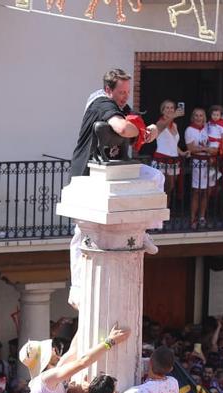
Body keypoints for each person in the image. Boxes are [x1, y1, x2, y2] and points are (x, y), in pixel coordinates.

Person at [67, 68, 161, 310]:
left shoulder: (119, 105)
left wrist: (150, 130)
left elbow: (139, 125)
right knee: (81, 236)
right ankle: (76, 288)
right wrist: (138, 129)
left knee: (156, 177)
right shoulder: (102, 104)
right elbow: (122, 128)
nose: (125, 97)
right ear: (109, 90)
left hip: (112, 173)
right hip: (87, 176)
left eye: (128, 92)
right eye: (121, 92)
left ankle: (145, 231)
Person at [185, 107, 217, 229]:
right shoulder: (189, 130)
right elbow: (191, 148)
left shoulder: (210, 129)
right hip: (197, 163)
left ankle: (202, 217)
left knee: (206, 191)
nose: (199, 118)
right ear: (193, 117)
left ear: (205, 117)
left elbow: (215, 147)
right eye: (196, 115)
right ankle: (193, 219)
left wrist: (205, 149)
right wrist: (205, 149)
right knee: (197, 191)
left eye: (201, 115)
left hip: (210, 164)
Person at [151, 100, 188, 206]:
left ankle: (165, 213)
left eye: (172, 108)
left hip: (173, 161)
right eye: (167, 108)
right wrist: (173, 116)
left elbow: (173, 143)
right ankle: (158, 212)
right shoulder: (159, 123)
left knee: (169, 189)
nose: (170, 110)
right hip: (162, 160)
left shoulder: (174, 125)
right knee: (161, 188)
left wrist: (182, 153)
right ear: (162, 111)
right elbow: (162, 127)